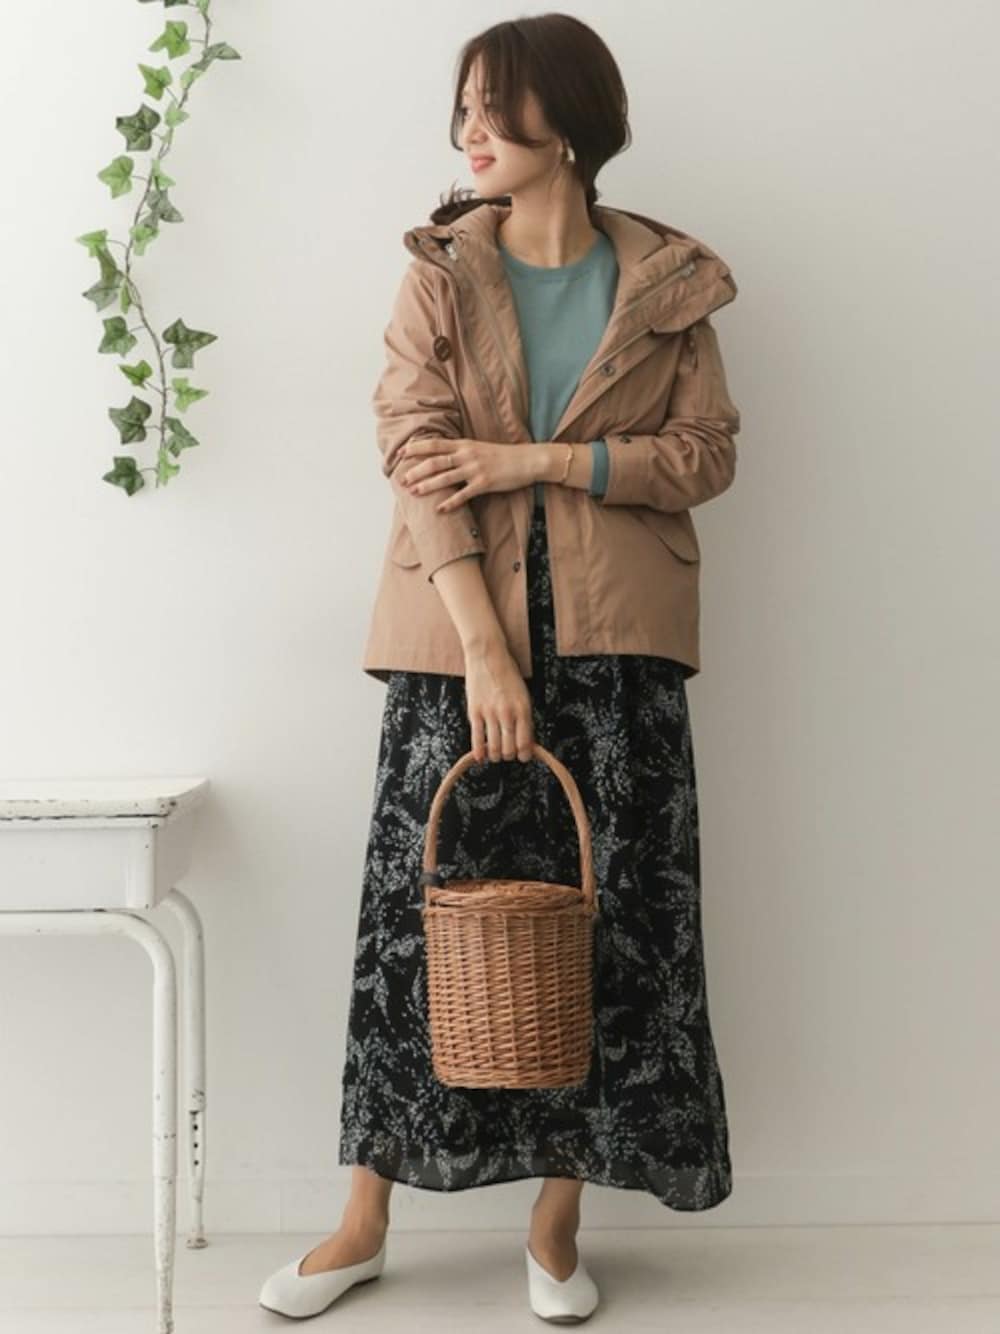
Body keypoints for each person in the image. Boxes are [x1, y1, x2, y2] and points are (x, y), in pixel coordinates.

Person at [260, 12, 741, 1323]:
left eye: (494, 106)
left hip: (618, 646)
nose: (468, 131)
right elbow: (415, 451)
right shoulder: (440, 271)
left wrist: (539, 460)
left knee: (606, 921)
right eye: (462, 107)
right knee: (413, 925)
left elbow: (704, 454)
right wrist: (483, 651)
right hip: (452, 643)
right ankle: (363, 1218)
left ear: (566, 123)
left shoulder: (670, 283)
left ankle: (556, 1221)